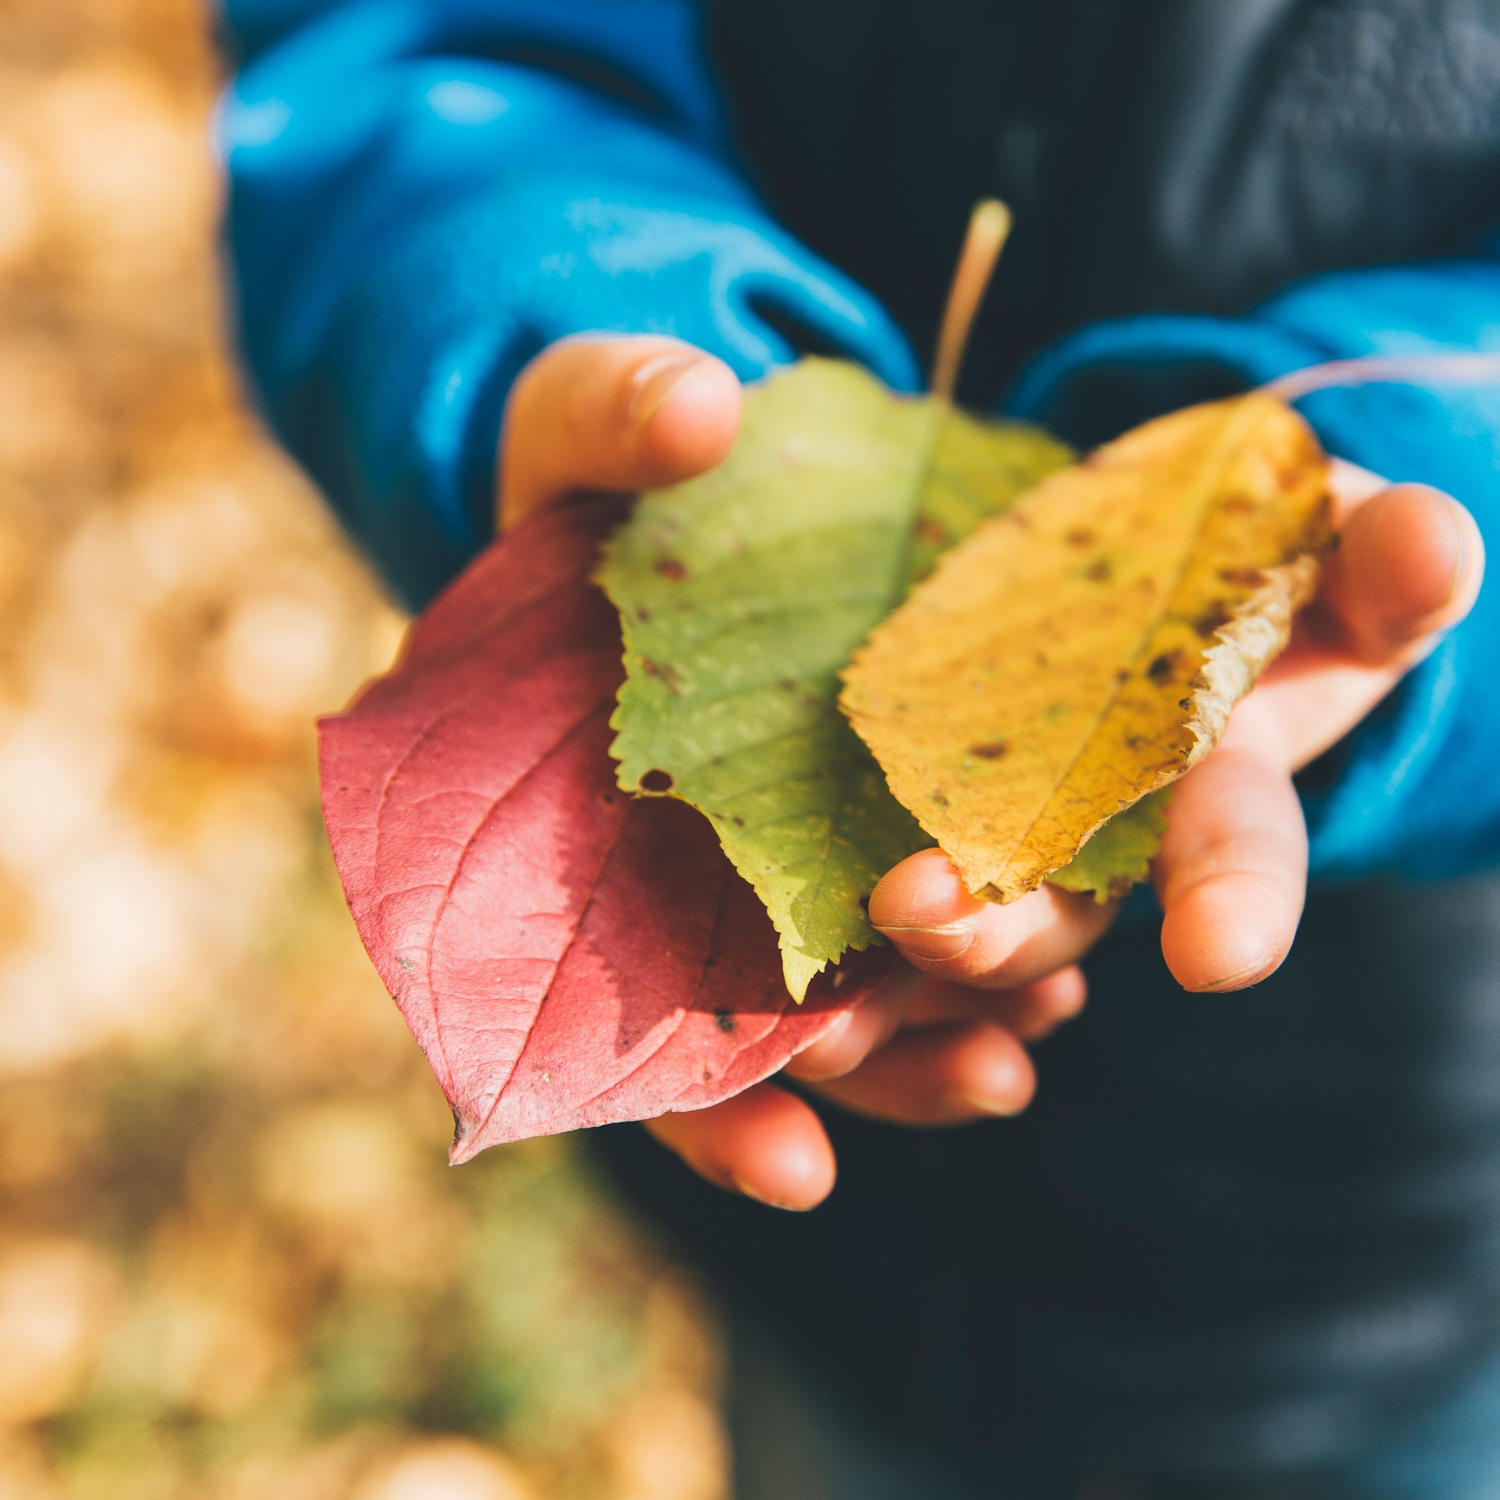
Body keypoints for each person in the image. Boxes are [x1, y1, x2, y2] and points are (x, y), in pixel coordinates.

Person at [219, 2, 1500, 1494]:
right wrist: (530, 303)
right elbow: (419, 50)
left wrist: (1416, 522)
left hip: (1388, 1241)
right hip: (830, 1277)